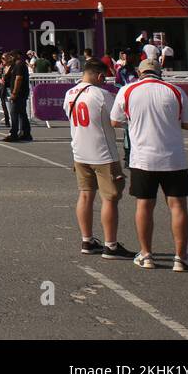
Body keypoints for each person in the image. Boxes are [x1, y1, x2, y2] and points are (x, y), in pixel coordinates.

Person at [110, 60, 188, 271]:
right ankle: (181, 258)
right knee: (178, 206)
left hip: (142, 158)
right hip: (173, 157)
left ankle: (146, 254)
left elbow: (114, 121)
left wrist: (135, 118)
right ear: (160, 72)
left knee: (144, 205)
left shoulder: (128, 90)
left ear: (140, 72)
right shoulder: (175, 90)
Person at [65, 59, 134, 260]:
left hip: (79, 151)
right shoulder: (102, 94)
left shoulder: (69, 93)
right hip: (103, 153)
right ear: (100, 76)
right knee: (110, 198)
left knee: (85, 195)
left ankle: (87, 239)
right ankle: (110, 244)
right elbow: (118, 119)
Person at [3, 50, 32, 142]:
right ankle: (26, 133)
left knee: (14, 113)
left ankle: (14, 133)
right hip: (21, 93)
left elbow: (18, 79)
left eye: (12, 55)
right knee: (22, 113)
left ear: (17, 56)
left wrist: (14, 93)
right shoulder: (16, 65)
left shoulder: (19, 65)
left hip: (19, 93)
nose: (10, 57)